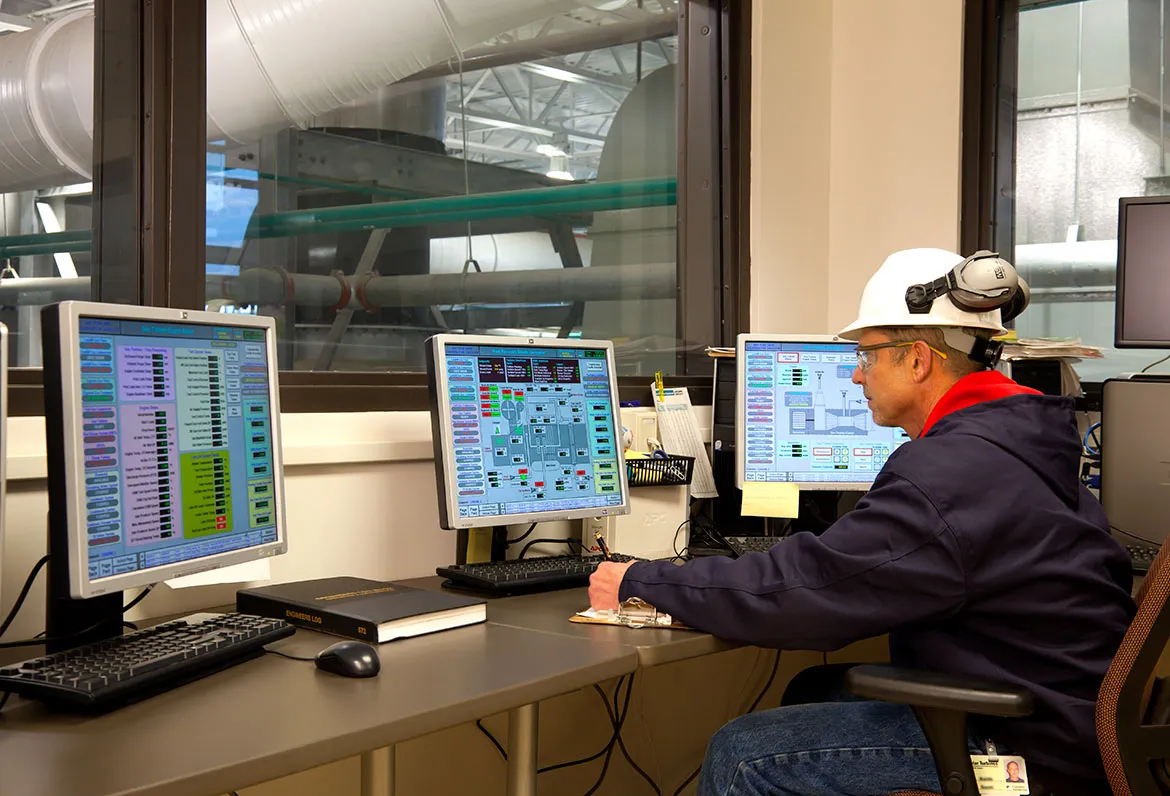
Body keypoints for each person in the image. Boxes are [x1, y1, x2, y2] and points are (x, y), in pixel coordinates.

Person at [589, 248, 1135, 796]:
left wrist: (641, 579)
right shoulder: (1018, 439)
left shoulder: (954, 470)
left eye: (868, 356)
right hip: (1062, 716)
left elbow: (807, 592)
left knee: (743, 756)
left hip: (1024, 746)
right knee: (815, 688)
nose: (855, 374)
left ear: (918, 360)